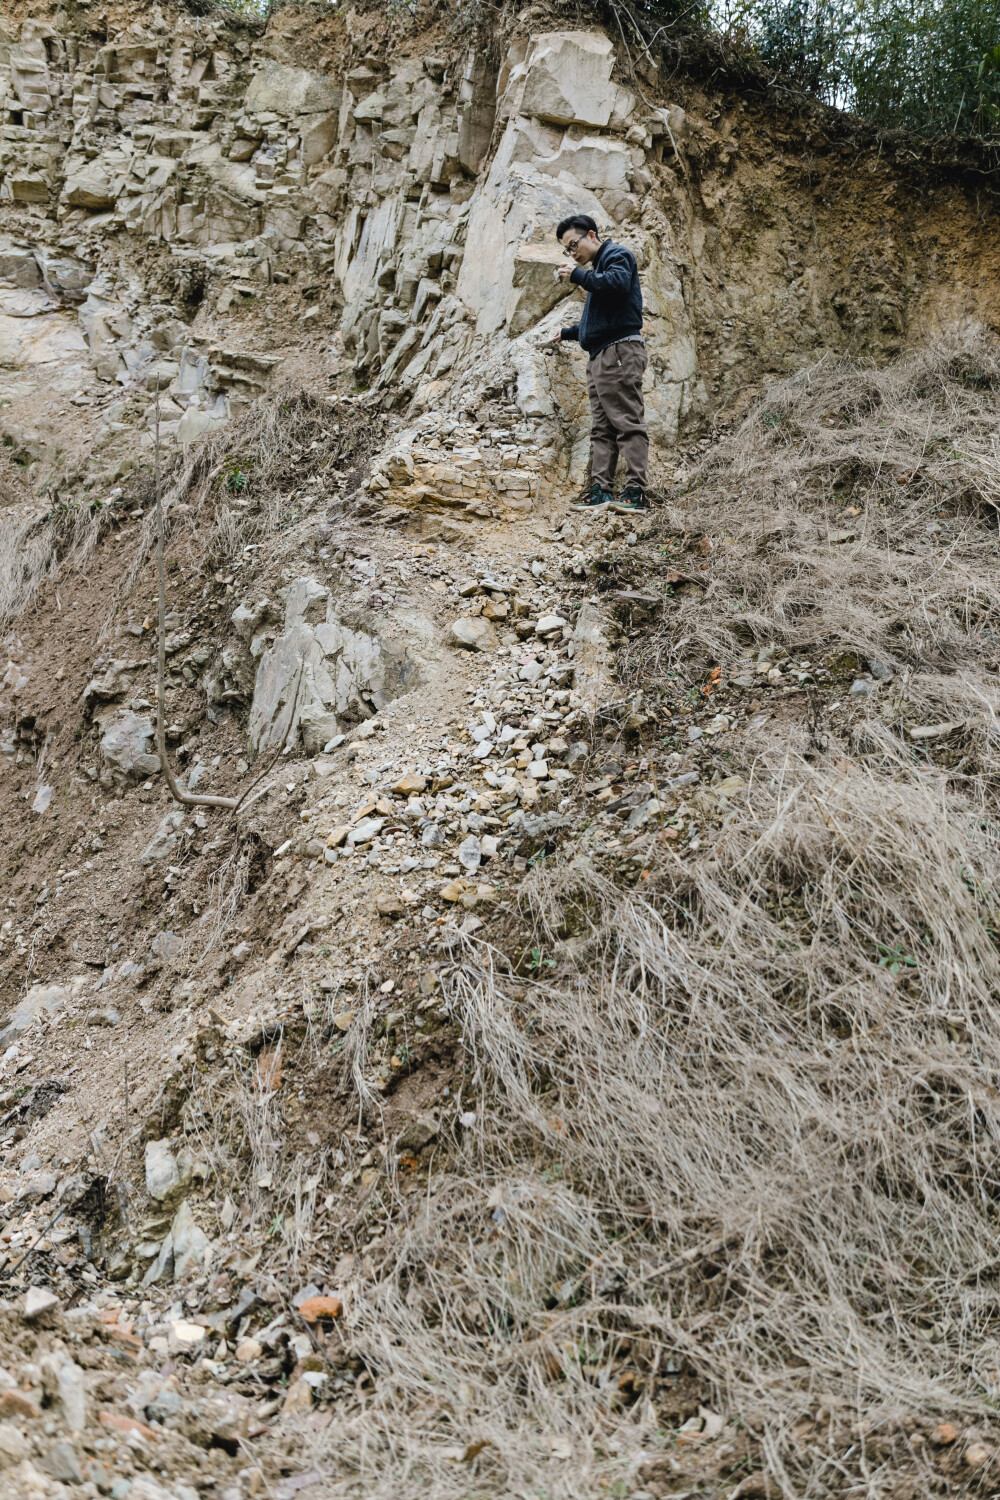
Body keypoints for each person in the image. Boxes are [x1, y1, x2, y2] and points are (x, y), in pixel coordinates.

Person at [550, 214, 648, 515]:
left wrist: (578, 276)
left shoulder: (616, 256)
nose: (572, 253)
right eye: (568, 250)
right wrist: (566, 333)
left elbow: (617, 285)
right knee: (602, 428)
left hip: (619, 352)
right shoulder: (597, 273)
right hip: (602, 355)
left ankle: (636, 491)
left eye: (573, 244)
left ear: (591, 235)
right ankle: (601, 490)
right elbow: (598, 322)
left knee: (628, 422)